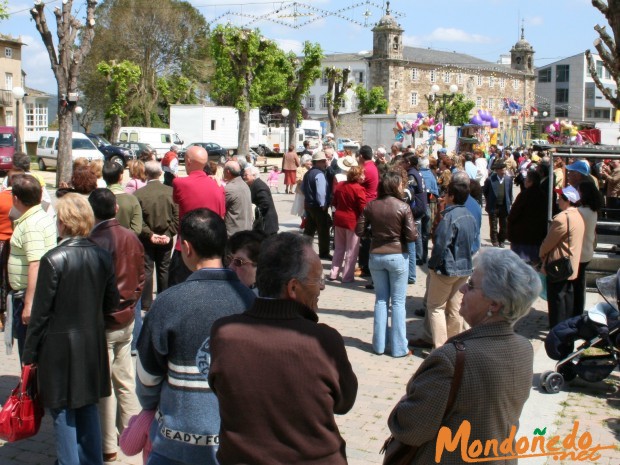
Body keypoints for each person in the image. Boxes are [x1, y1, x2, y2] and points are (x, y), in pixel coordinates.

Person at [208, 232, 358, 465]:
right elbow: (344, 403)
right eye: (317, 280)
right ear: (293, 288)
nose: (321, 288)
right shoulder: (324, 340)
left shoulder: (223, 333)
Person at [387, 248, 540, 464]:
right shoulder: (524, 348)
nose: (461, 290)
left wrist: (403, 405)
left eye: (471, 286)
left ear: (494, 304)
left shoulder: (452, 359)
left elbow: (411, 428)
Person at [137, 208, 255, 465]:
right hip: (237, 443)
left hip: (176, 445)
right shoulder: (252, 303)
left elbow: (147, 377)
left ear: (186, 248)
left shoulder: (168, 302)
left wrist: (151, 404)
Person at [22, 193, 119, 465]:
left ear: (62, 222)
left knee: (63, 412)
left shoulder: (53, 258)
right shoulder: (102, 256)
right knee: (88, 406)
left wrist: (29, 356)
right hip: (91, 344)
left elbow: (40, 315)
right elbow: (111, 302)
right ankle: (91, 460)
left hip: (58, 350)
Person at [89, 188, 145, 463]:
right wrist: (132, 301)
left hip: (107, 321)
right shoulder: (130, 236)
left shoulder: (95, 241)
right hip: (125, 317)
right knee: (124, 378)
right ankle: (131, 433)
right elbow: (142, 276)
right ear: (115, 210)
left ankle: (110, 444)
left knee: (107, 385)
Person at [356, 171, 417, 357]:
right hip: (398, 255)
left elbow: (359, 230)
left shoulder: (371, 205)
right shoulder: (403, 207)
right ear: (394, 186)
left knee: (381, 300)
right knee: (398, 302)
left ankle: (379, 346)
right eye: (399, 184)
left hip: (376, 254)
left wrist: (373, 236)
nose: (402, 187)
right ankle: (399, 348)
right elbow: (412, 235)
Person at [418, 179, 477, 349]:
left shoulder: (449, 217)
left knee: (435, 307)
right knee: (455, 309)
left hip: (447, 268)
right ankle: (454, 346)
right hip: (464, 267)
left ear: (451, 196)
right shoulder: (469, 215)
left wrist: (433, 265)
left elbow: (441, 244)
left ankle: (441, 348)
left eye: (447, 194)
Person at [8, 174, 57, 359]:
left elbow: (35, 264)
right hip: (31, 295)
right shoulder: (36, 216)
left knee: (28, 354)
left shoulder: (31, 225)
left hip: (30, 298)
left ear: (16, 198)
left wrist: (28, 305)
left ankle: (29, 387)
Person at [170, 145, 225, 285]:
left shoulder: (180, 183)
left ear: (188, 161)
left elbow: (176, 201)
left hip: (188, 248)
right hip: (212, 248)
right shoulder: (218, 185)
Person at [133, 161, 179, 311]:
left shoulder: (138, 194)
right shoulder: (170, 192)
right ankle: (164, 301)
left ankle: (146, 303)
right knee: (164, 269)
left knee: (147, 270)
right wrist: (168, 234)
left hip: (146, 239)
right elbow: (177, 217)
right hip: (165, 237)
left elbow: (138, 220)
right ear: (160, 173)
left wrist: (149, 234)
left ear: (146, 174)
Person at [540, 185, 585, 329]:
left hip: (559, 266)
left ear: (567, 201)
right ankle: (566, 328)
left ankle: (558, 331)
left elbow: (548, 242)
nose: (558, 201)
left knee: (557, 301)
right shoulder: (578, 215)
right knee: (567, 298)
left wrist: (541, 253)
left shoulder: (563, 218)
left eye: (560, 198)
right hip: (571, 265)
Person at [329, 165, 367, 283]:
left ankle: (333, 273)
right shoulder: (358, 189)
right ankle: (347, 276)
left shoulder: (340, 185)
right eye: (362, 174)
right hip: (352, 221)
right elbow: (363, 208)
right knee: (351, 250)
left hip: (339, 219)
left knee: (339, 248)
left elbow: (334, 202)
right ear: (357, 176)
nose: (364, 176)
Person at [573, 181, 603, 317]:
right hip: (587, 251)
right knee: (580, 283)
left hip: (579, 252)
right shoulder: (593, 210)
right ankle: (578, 310)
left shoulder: (580, 211)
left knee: (576, 285)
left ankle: (576, 312)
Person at [507, 170, 548, 265]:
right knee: (533, 264)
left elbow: (513, 214)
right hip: (537, 237)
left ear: (531, 182)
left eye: (526, 180)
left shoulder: (524, 195)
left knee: (520, 265)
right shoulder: (543, 195)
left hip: (522, 237)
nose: (524, 182)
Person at [302, 151, 332, 260]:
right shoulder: (319, 174)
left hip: (309, 205)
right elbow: (321, 192)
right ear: (318, 162)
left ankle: (304, 250)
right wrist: (323, 203)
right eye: (323, 161)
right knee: (323, 231)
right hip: (318, 207)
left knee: (309, 230)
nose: (325, 163)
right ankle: (324, 252)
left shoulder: (308, 173)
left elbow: (302, 189)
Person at [102, 161, 143, 235]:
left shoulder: (97, 198)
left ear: (104, 177)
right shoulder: (132, 199)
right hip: (126, 243)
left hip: (101, 243)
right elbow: (136, 229)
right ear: (121, 176)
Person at [357, 145, 379, 277]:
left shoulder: (365, 169)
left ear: (361, 156)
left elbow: (357, 185)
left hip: (365, 204)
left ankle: (365, 267)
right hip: (371, 202)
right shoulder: (373, 166)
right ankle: (365, 265)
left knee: (364, 237)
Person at [482, 159, 513, 248]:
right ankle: (494, 240)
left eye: (505, 169)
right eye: (502, 170)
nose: (504, 171)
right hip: (494, 206)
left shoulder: (508, 179)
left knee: (504, 225)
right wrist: (490, 200)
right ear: (498, 170)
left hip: (504, 206)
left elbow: (509, 192)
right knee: (493, 225)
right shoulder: (490, 179)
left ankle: (502, 240)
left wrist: (510, 202)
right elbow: (485, 191)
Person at [242, 165, 280, 236]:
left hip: (267, 225)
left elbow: (265, 203)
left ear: (254, 175)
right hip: (263, 225)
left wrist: (255, 212)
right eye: (243, 175)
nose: (244, 177)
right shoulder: (254, 184)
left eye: (246, 175)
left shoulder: (259, 185)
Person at [223, 160, 253, 236]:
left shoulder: (229, 189)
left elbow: (220, 208)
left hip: (234, 234)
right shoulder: (244, 184)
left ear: (228, 172)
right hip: (246, 230)